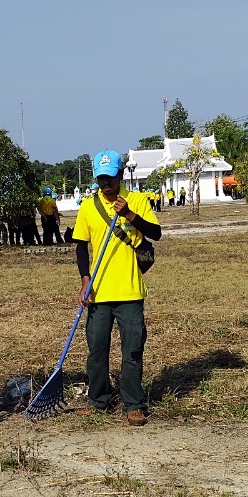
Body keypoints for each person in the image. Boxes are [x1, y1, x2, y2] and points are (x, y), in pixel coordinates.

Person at [74, 149, 161, 426]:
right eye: (101, 178)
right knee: (97, 350)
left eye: (110, 178)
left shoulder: (137, 200)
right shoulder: (88, 207)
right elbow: (80, 246)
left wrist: (129, 214)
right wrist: (85, 280)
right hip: (98, 293)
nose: (105, 184)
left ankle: (133, 404)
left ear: (121, 175)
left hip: (130, 292)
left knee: (132, 351)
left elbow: (156, 233)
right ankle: (98, 400)